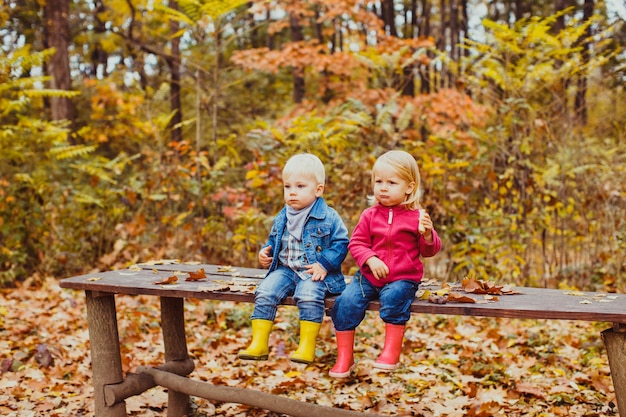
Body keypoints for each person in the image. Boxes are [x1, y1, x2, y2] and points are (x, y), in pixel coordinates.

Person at [329, 150, 442, 377]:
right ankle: (345, 357)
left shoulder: (417, 216)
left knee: (393, 298)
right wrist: (370, 259)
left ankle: (391, 351)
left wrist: (428, 235)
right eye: (378, 181)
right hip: (368, 276)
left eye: (391, 182)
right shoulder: (369, 215)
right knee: (345, 302)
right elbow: (357, 243)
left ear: (409, 187)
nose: (383, 187)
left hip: (403, 277)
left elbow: (429, 250)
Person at [238, 153, 349, 364]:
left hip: (313, 270)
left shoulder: (329, 216)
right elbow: (274, 239)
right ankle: (259, 343)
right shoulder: (283, 214)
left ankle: (306, 346)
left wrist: (324, 264)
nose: (292, 193)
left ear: (318, 190)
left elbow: (342, 243)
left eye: (300, 186)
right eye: (287, 187)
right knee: (265, 291)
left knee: (308, 295)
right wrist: (266, 252)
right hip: (286, 269)